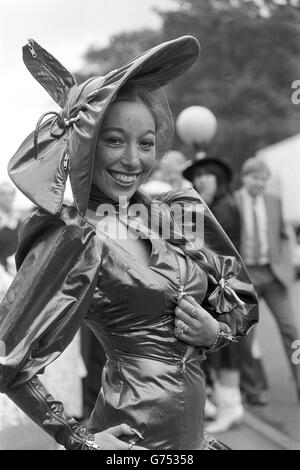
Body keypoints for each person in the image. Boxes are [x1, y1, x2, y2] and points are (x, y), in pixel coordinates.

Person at [0, 37, 258, 450]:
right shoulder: (74, 234)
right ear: (85, 144)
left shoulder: (178, 213)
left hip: (188, 436)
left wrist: (215, 334)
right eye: (115, 140)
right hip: (134, 441)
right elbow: (7, 358)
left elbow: (238, 301)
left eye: (146, 143)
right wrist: (81, 440)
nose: (134, 161)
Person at [183, 157, 258, 432]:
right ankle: (228, 405)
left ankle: (231, 407)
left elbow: (209, 251)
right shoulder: (212, 207)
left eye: (206, 177)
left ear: (220, 180)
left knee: (227, 349)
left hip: (226, 290)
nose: (200, 182)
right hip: (220, 288)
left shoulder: (223, 209)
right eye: (197, 178)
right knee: (220, 349)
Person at [235, 157, 300, 404]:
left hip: (273, 276)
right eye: (255, 178)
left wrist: (287, 263)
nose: (260, 183)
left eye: (264, 179)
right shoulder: (234, 201)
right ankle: (253, 389)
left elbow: (285, 234)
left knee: (292, 330)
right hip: (246, 276)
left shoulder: (274, 201)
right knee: (245, 335)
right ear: (245, 178)